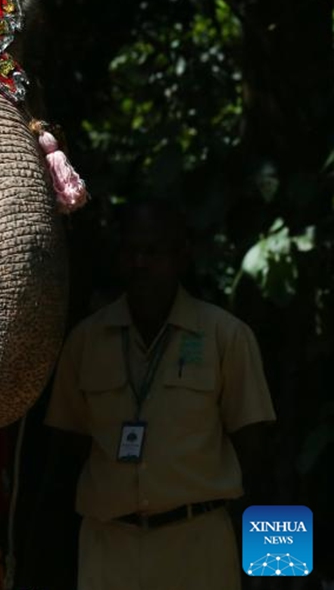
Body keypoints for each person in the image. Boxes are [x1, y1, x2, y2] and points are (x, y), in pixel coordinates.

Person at [44, 199, 276, 589]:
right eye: (130, 251)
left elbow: (258, 454)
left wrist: (271, 566)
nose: (140, 263)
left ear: (181, 256)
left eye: (152, 251)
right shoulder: (86, 341)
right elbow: (66, 451)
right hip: (108, 547)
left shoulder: (226, 336)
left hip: (199, 545)